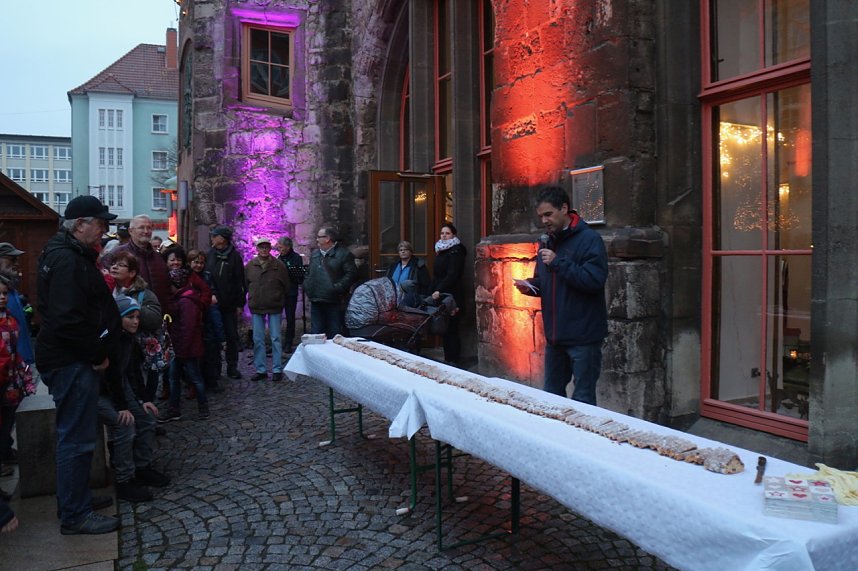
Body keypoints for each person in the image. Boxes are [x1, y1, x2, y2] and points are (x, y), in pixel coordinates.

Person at [35, 194, 122, 535]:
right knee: (77, 438)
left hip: (68, 358)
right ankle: (75, 513)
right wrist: (96, 354)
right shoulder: (68, 260)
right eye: (100, 224)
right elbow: (67, 319)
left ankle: (75, 499)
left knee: (78, 435)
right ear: (81, 225)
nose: (104, 231)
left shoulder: (67, 254)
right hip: (70, 361)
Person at [515, 186, 608, 405]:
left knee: (583, 402)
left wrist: (558, 263)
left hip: (584, 338)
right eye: (541, 216)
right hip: (555, 338)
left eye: (548, 214)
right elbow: (546, 281)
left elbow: (593, 281)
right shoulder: (547, 241)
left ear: (564, 208)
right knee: (551, 398)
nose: (544, 220)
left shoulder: (590, 240)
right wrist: (531, 286)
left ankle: (582, 440)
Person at [97, 295, 169, 503]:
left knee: (146, 418)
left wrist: (144, 399)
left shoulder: (129, 339)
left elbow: (132, 372)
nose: (136, 321)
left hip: (118, 389)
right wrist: (121, 407)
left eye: (137, 317)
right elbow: (110, 377)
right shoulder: (110, 339)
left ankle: (142, 467)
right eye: (130, 317)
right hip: (97, 392)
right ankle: (124, 480)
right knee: (125, 425)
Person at [108, 251, 164, 402]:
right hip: (119, 350)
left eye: (121, 265)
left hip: (142, 354)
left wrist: (131, 307)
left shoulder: (144, 294)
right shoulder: (109, 290)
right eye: (113, 264)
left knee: (143, 392)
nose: (114, 267)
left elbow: (155, 319)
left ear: (132, 272)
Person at [158, 269, 208, 422]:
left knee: (194, 377)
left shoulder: (186, 301)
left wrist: (181, 349)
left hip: (186, 348)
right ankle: (174, 408)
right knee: (174, 378)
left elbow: (188, 327)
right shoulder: (181, 299)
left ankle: (203, 407)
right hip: (179, 346)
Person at [245, 238, 290, 382]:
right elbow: (246, 284)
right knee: (258, 339)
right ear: (257, 249)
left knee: (275, 338)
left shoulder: (278, 265)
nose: (264, 250)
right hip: (257, 305)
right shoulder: (250, 266)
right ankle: (261, 369)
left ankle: (277, 369)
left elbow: (286, 285)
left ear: (270, 249)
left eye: (266, 247)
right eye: (261, 247)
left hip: (274, 304)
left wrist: (279, 297)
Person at [204, 226, 246, 380]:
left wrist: (240, 304)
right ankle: (216, 368)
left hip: (229, 304)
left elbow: (240, 282)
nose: (212, 238)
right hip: (212, 304)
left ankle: (232, 367)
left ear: (222, 239)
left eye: (214, 236)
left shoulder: (234, 257)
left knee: (231, 336)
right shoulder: (210, 255)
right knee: (214, 336)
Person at [108, 215, 171, 311]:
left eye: (149, 228)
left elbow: (167, 287)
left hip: (157, 316)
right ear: (130, 231)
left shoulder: (158, 258)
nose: (146, 231)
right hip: (128, 315)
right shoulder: (117, 254)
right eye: (141, 227)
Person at [303, 225, 357, 338]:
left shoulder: (344, 254)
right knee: (316, 334)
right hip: (316, 299)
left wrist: (336, 288)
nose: (317, 239)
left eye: (319, 237)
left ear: (327, 238)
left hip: (334, 301)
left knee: (334, 334)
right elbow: (308, 272)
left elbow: (351, 274)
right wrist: (307, 285)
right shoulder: (315, 254)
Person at [429, 223, 466, 366]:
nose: (444, 236)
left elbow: (453, 274)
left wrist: (440, 289)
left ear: (454, 235)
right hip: (441, 293)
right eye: (442, 233)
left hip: (451, 293)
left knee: (452, 328)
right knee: (445, 328)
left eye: (447, 233)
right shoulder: (441, 250)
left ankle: (453, 360)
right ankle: (447, 358)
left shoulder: (456, 251)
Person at [188, 249, 224, 393]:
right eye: (196, 262)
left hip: (207, 317)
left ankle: (211, 380)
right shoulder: (186, 277)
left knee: (210, 352)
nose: (199, 265)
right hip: (193, 316)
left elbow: (213, 294)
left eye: (201, 262)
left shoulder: (207, 276)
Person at [276, 236, 304, 353]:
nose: (279, 250)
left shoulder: (296, 258)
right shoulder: (279, 258)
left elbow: (298, 276)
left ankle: (289, 341)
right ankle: (276, 341)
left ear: (288, 247)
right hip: (279, 292)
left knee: (290, 317)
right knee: (276, 317)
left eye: (281, 247)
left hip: (291, 292)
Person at [386, 241, 430, 307]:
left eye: (405, 249)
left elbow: (425, 285)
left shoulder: (418, 265)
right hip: (393, 297)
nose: (403, 252)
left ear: (411, 252)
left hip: (410, 299)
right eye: (401, 250)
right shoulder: (394, 265)